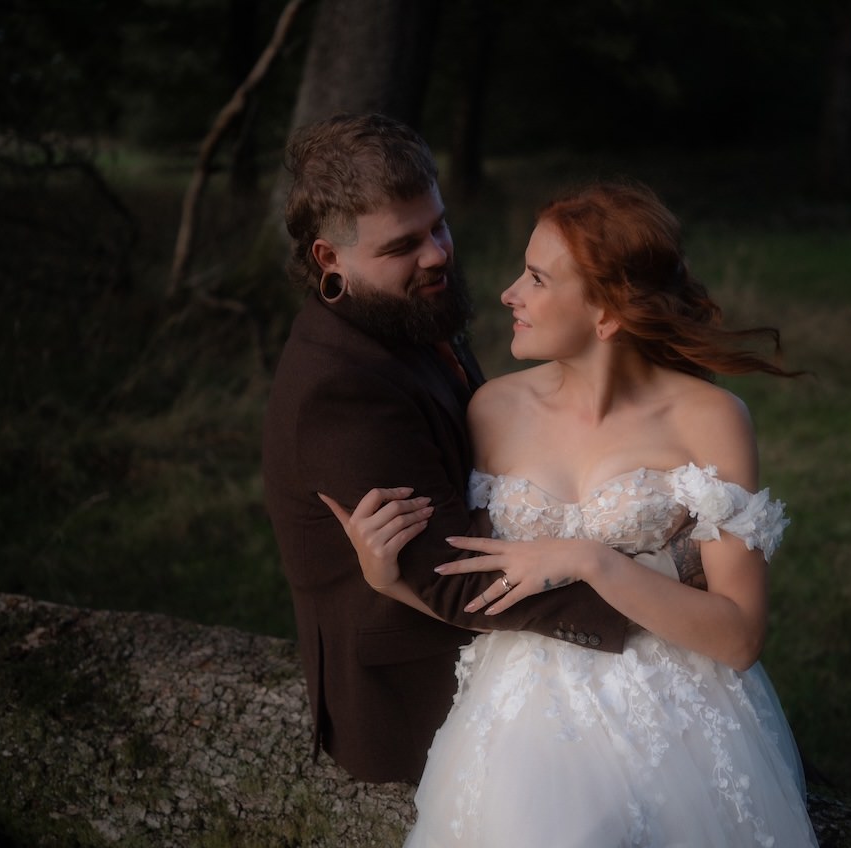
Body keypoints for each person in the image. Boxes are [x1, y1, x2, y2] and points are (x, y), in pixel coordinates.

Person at [327, 182, 820, 848]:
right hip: (523, 707)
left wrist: (592, 560)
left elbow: (738, 637)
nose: (509, 294)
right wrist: (386, 576)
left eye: (535, 277)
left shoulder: (711, 420)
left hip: (680, 706)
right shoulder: (492, 410)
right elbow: (485, 587)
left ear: (607, 314)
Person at [261, 113, 633, 785]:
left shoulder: (402, 309)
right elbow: (449, 575)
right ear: (329, 258)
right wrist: (641, 605)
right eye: (404, 243)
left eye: (438, 225)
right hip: (418, 686)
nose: (436, 253)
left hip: (479, 621)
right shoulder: (339, 390)